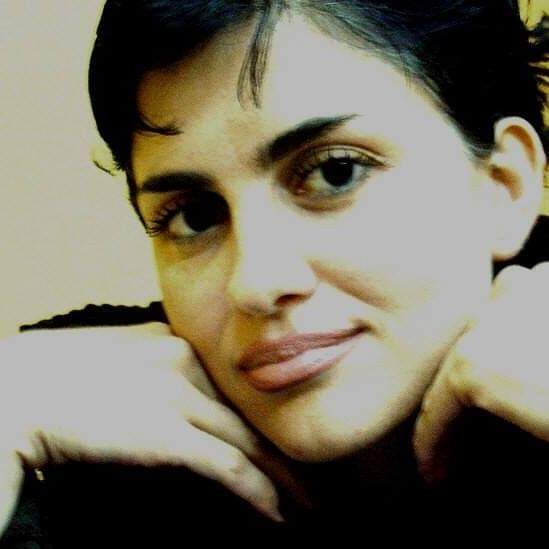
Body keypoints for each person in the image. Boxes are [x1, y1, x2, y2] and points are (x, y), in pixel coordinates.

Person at [1, 0, 549, 545]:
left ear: (504, 185)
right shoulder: (88, 451)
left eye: (336, 172)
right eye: (195, 217)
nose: (255, 283)